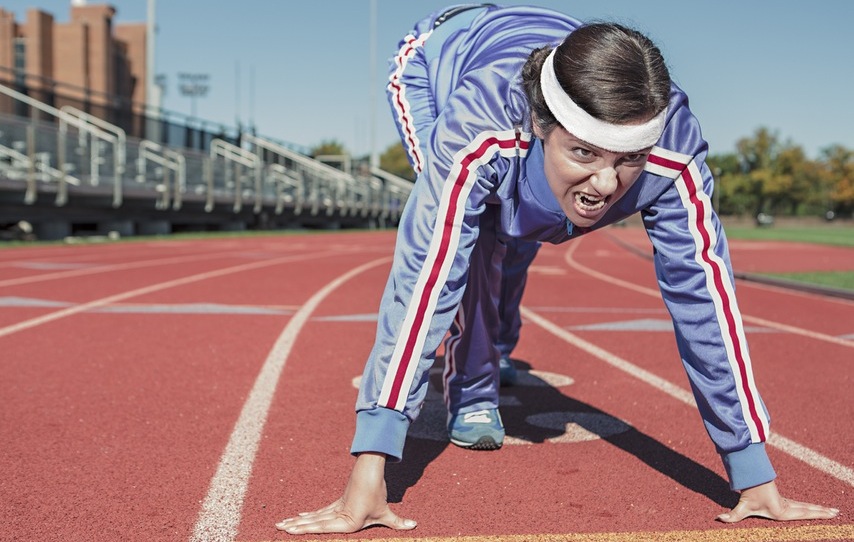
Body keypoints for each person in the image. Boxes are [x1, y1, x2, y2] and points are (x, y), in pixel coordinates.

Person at [277, 3, 839, 534]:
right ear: (544, 126)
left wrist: (753, 472)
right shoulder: (479, 127)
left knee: (525, 229)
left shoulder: (674, 152)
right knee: (473, 240)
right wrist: (371, 469)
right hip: (437, 59)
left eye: (628, 161)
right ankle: (473, 388)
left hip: (547, 56)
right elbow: (425, 278)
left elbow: (706, 301)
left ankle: (498, 342)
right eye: (585, 154)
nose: (605, 185)